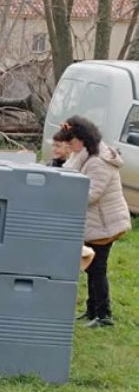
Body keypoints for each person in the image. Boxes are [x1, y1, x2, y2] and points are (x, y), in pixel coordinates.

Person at [60, 116, 131, 328]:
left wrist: (64, 193)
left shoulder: (99, 161)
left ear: (83, 139)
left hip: (105, 224)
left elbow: (92, 194)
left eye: (71, 142)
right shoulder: (84, 155)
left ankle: (104, 315)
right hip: (95, 223)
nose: (69, 147)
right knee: (90, 267)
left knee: (97, 269)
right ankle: (92, 310)